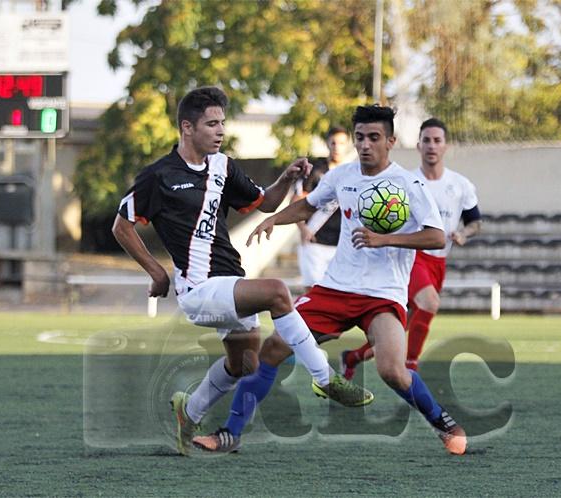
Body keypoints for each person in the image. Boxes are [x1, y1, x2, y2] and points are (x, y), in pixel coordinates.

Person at [192, 105, 468, 456]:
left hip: (383, 295)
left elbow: (436, 236)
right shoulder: (343, 176)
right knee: (273, 349)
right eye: (359, 137)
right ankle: (230, 433)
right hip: (335, 289)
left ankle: (444, 424)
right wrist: (274, 219)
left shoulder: (408, 184)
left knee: (392, 371)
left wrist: (384, 239)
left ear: (391, 141)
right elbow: (309, 205)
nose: (365, 144)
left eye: (374, 137)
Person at [112, 87, 372, 456]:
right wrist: (157, 273)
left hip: (229, 280)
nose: (220, 130)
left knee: (244, 364)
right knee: (277, 292)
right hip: (198, 289)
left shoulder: (223, 166)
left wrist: (285, 179)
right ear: (187, 127)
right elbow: (122, 226)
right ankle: (324, 377)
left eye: (222, 123)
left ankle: (189, 411)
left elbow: (263, 202)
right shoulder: (160, 176)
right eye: (211, 124)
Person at [340, 118, 482, 378]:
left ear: (446, 146)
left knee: (401, 325)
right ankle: (411, 368)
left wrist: (463, 233)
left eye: (437, 140)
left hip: (439, 261)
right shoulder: (405, 182)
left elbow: (475, 222)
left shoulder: (460, 185)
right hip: (412, 257)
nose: (431, 146)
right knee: (429, 302)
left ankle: (353, 357)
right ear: (418, 145)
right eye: (426, 140)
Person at [293, 126, 351, 291]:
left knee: (340, 294)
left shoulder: (353, 172)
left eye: (341, 143)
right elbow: (296, 202)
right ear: (327, 143)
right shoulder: (315, 170)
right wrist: (303, 229)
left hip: (342, 245)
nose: (337, 147)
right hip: (315, 242)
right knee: (314, 292)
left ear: (348, 145)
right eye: (333, 143)